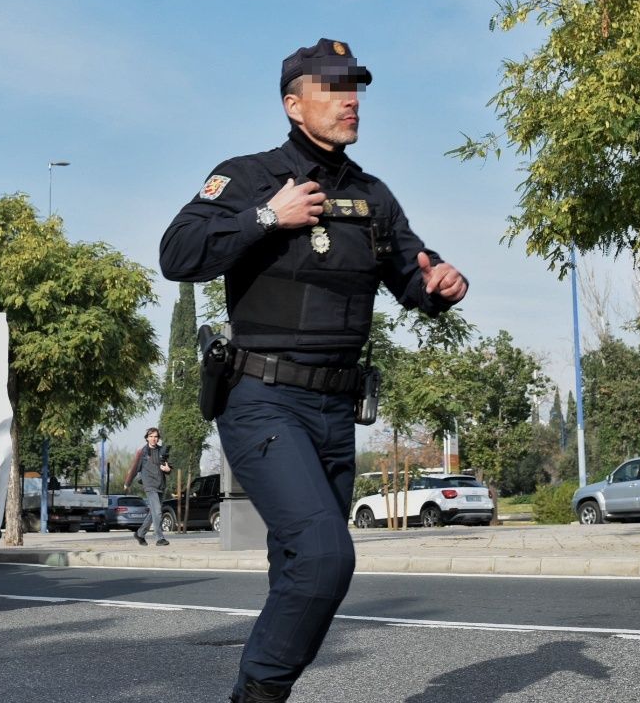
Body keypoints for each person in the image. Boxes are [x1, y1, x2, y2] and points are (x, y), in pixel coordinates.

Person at [159, 38, 468, 703]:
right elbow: (178, 253)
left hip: (336, 411)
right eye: (332, 87)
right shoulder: (248, 177)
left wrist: (441, 282)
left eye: (354, 86)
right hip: (262, 400)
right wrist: (268, 218)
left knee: (300, 570)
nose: (350, 99)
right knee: (327, 558)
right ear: (294, 104)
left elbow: (411, 272)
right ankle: (257, 696)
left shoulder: (372, 196)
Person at [124, 427, 172, 547]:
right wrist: (127, 483)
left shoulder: (162, 450)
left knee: (154, 513)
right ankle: (159, 538)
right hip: (149, 485)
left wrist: (168, 469)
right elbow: (135, 468)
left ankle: (140, 534)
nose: (153, 439)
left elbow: (168, 466)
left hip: (160, 484)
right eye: (151, 436)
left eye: (155, 436)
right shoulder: (143, 452)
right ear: (147, 438)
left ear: (158, 438)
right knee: (157, 511)